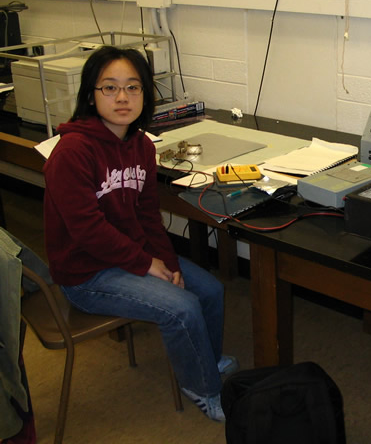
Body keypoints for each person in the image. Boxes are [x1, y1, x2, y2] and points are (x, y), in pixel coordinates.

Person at [42, 45, 238, 422]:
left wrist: (165, 260)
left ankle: (205, 360)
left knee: (210, 290)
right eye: (109, 88)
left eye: (133, 87)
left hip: (130, 255)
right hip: (86, 273)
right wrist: (147, 264)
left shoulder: (141, 146)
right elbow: (87, 231)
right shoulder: (72, 152)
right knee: (182, 307)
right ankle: (202, 387)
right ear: (90, 94)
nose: (122, 97)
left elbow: (148, 215)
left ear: (146, 95)